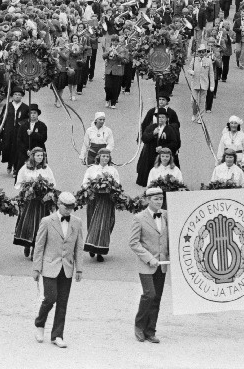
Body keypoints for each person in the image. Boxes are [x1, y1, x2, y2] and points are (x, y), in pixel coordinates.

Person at [33, 192, 84, 349]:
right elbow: (39, 245)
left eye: (71, 207)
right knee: (50, 298)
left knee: (63, 302)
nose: (69, 210)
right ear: (58, 204)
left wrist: (79, 269)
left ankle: (57, 335)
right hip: (49, 266)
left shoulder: (77, 222)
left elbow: (79, 247)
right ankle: (40, 323)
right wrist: (36, 268)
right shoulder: (47, 221)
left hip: (67, 267)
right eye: (66, 207)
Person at [129, 187, 169, 343]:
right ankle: (139, 326)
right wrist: (149, 258)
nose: (159, 202)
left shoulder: (166, 215)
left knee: (157, 297)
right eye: (155, 199)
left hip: (162, 262)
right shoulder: (139, 218)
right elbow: (133, 242)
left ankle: (150, 330)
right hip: (146, 264)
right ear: (147, 200)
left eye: (161, 199)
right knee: (149, 294)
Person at [14, 148, 55, 258]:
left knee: (40, 224)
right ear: (33, 156)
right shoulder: (25, 168)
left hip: (42, 201)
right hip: (30, 201)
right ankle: (27, 245)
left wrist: (49, 192)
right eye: (38, 155)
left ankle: (35, 248)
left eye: (41, 156)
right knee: (29, 223)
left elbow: (52, 183)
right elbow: (19, 183)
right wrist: (27, 189)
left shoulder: (46, 169)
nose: (40, 158)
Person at [82, 148, 120, 261]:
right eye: (103, 156)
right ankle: (92, 246)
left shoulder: (113, 170)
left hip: (107, 200)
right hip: (95, 198)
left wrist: (111, 187)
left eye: (107, 157)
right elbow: (84, 183)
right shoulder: (92, 169)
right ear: (99, 157)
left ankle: (100, 251)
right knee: (93, 221)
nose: (105, 158)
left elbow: (118, 184)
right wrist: (91, 189)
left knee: (106, 223)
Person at [137, 110, 179, 187]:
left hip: (163, 156)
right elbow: (144, 138)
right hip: (150, 154)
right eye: (159, 117)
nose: (161, 119)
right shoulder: (151, 127)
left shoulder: (170, 129)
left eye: (163, 117)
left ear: (166, 119)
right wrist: (153, 133)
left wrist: (163, 148)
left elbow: (174, 143)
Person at [0, 87, 29, 176]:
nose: (17, 96)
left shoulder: (25, 107)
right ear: (12, 96)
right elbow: (2, 118)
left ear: (22, 96)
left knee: (17, 149)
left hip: (19, 131)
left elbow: (28, 119)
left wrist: (22, 123)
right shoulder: (7, 106)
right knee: (7, 147)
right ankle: (10, 164)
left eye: (19, 95)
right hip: (8, 130)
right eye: (15, 94)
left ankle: (16, 168)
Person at [187, 43, 217, 123]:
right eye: (199, 52)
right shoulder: (194, 59)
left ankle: (200, 117)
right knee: (193, 101)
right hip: (195, 83)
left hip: (204, 83)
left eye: (203, 52)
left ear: (205, 52)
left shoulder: (209, 61)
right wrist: (191, 72)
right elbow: (189, 69)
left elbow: (211, 74)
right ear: (197, 52)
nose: (201, 54)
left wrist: (212, 85)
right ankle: (194, 113)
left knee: (202, 101)